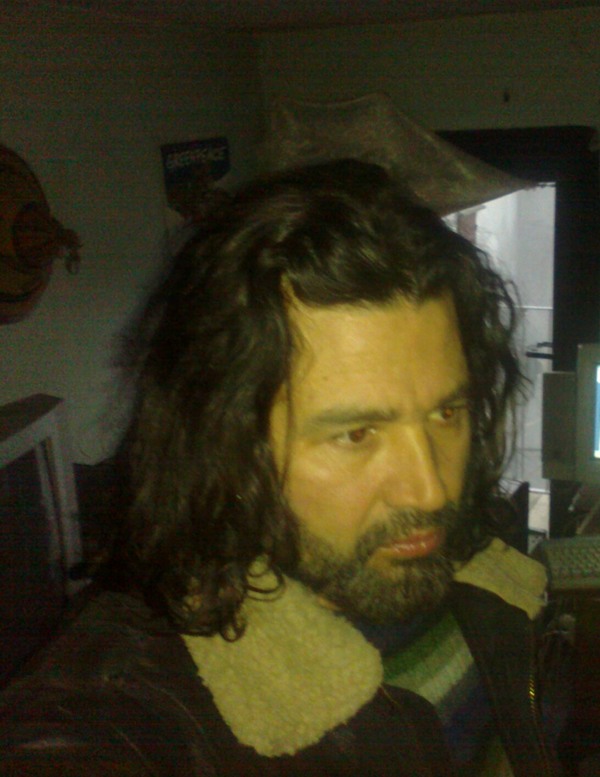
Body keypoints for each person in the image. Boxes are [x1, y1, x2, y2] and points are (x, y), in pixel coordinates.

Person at [0, 160, 561, 776]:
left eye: (446, 413)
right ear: (226, 439)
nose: (430, 490)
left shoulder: (484, 562)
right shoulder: (130, 700)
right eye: (356, 434)